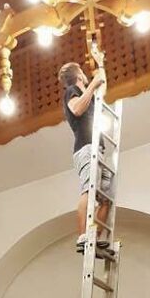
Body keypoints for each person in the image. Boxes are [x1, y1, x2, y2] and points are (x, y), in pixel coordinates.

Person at [58, 61, 114, 253]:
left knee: (106, 198)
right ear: (79, 76)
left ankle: (94, 238)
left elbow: (101, 86)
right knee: (89, 190)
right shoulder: (72, 91)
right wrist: (92, 85)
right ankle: (83, 236)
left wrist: (101, 63)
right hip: (86, 147)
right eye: (82, 72)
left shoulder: (89, 96)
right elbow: (76, 109)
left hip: (98, 149)